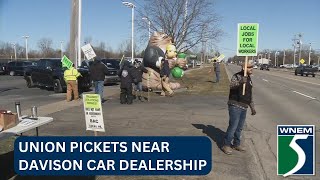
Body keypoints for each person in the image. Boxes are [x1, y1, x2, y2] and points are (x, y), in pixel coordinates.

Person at [222, 63, 256, 155]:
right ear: (244, 68)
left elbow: (249, 94)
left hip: (244, 106)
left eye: (252, 67)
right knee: (233, 126)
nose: (251, 69)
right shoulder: (237, 76)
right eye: (249, 67)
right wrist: (241, 82)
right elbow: (232, 86)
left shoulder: (249, 78)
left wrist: (252, 107)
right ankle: (226, 145)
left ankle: (236, 144)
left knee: (240, 127)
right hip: (235, 105)